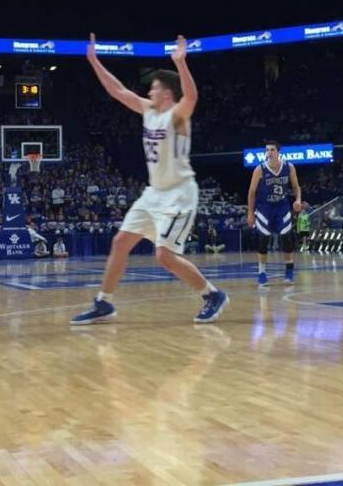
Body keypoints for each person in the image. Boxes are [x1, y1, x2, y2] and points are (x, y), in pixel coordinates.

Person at [71, 34, 228, 325]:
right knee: (120, 242)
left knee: (164, 256)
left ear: (166, 94)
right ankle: (103, 302)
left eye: (154, 88)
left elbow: (191, 96)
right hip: (154, 193)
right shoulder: (147, 110)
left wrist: (180, 63)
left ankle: (212, 295)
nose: (149, 91)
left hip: (180, 194)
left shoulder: (178, 116)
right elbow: (117, 91)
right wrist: (94, 60)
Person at [246, 141, 302, 286]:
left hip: (282, 206)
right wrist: (250, 213)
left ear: (278, 152)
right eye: (267, 150)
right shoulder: (260, 169)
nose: (269, 152)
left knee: (286, 237)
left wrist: (298, 200)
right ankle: (262, 273)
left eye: (272, 150)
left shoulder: (289, 167)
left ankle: (289, 271)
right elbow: (252, 192)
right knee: (263, 238)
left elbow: (296, 186)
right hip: (264, 207)